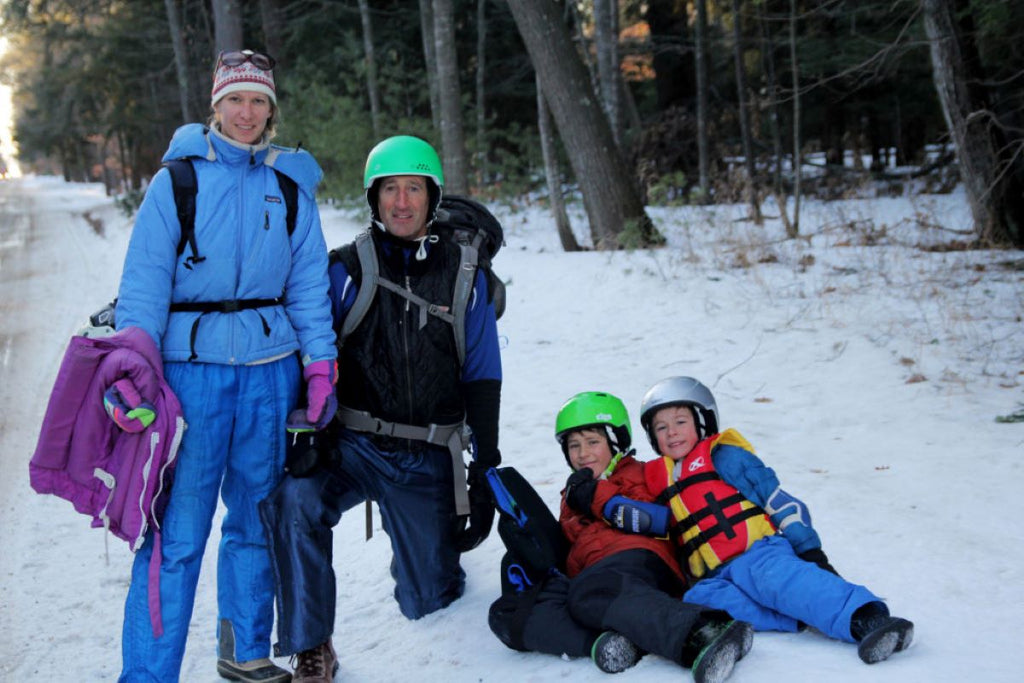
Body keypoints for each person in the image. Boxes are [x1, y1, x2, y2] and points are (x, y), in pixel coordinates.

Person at [113, 49, 337, 682]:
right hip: (190, 378)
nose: (247, 113)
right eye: (235, 100)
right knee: (176, 535)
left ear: (271, 109)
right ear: (215, 105)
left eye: (259, 101)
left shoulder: (290, 188)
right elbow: (146, 285)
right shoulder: (176, 183)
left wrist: (319, 368)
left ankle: (243, 652)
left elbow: (309, 291)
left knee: (255, 523)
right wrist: (135, 367)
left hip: (270, 374)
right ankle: (149, 673)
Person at [260, 135, 503, 682]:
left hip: (427, 454)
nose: (401, 202)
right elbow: (312, 354)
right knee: (292, 501)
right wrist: (310, 430)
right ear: (373, 198)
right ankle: (310, 645)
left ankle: (425, 552)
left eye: (413, 189)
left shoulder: (468, 277)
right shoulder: (342, 271)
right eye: (389, 189)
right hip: (353, 445)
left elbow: (483, 373)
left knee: (429, 602)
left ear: (431, 196)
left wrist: (484, 465)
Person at [637, 376, 915, 664]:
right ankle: (796, 618)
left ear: (703, 420)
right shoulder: (660, 480)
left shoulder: (724, 457)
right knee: (699, 601)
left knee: (784, 583)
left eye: (680, 422)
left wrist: (811, 551)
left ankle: (868, 620)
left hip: (758, 555)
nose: (671, 433)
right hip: (715, 577)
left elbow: (781, 503)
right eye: (661, 427)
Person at [489, 391, 753, 683]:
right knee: (509, 611)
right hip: (596, 576)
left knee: (590, 593)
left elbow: (657, 520)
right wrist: (531, 542)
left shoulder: (641, 473)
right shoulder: (571, 495)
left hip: (641, 561)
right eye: (573, 445)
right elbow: (573, 549)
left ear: (616, 442)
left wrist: (594, 496)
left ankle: (703, 630)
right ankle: (608, 643)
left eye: (593, 442)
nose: (582, 453)